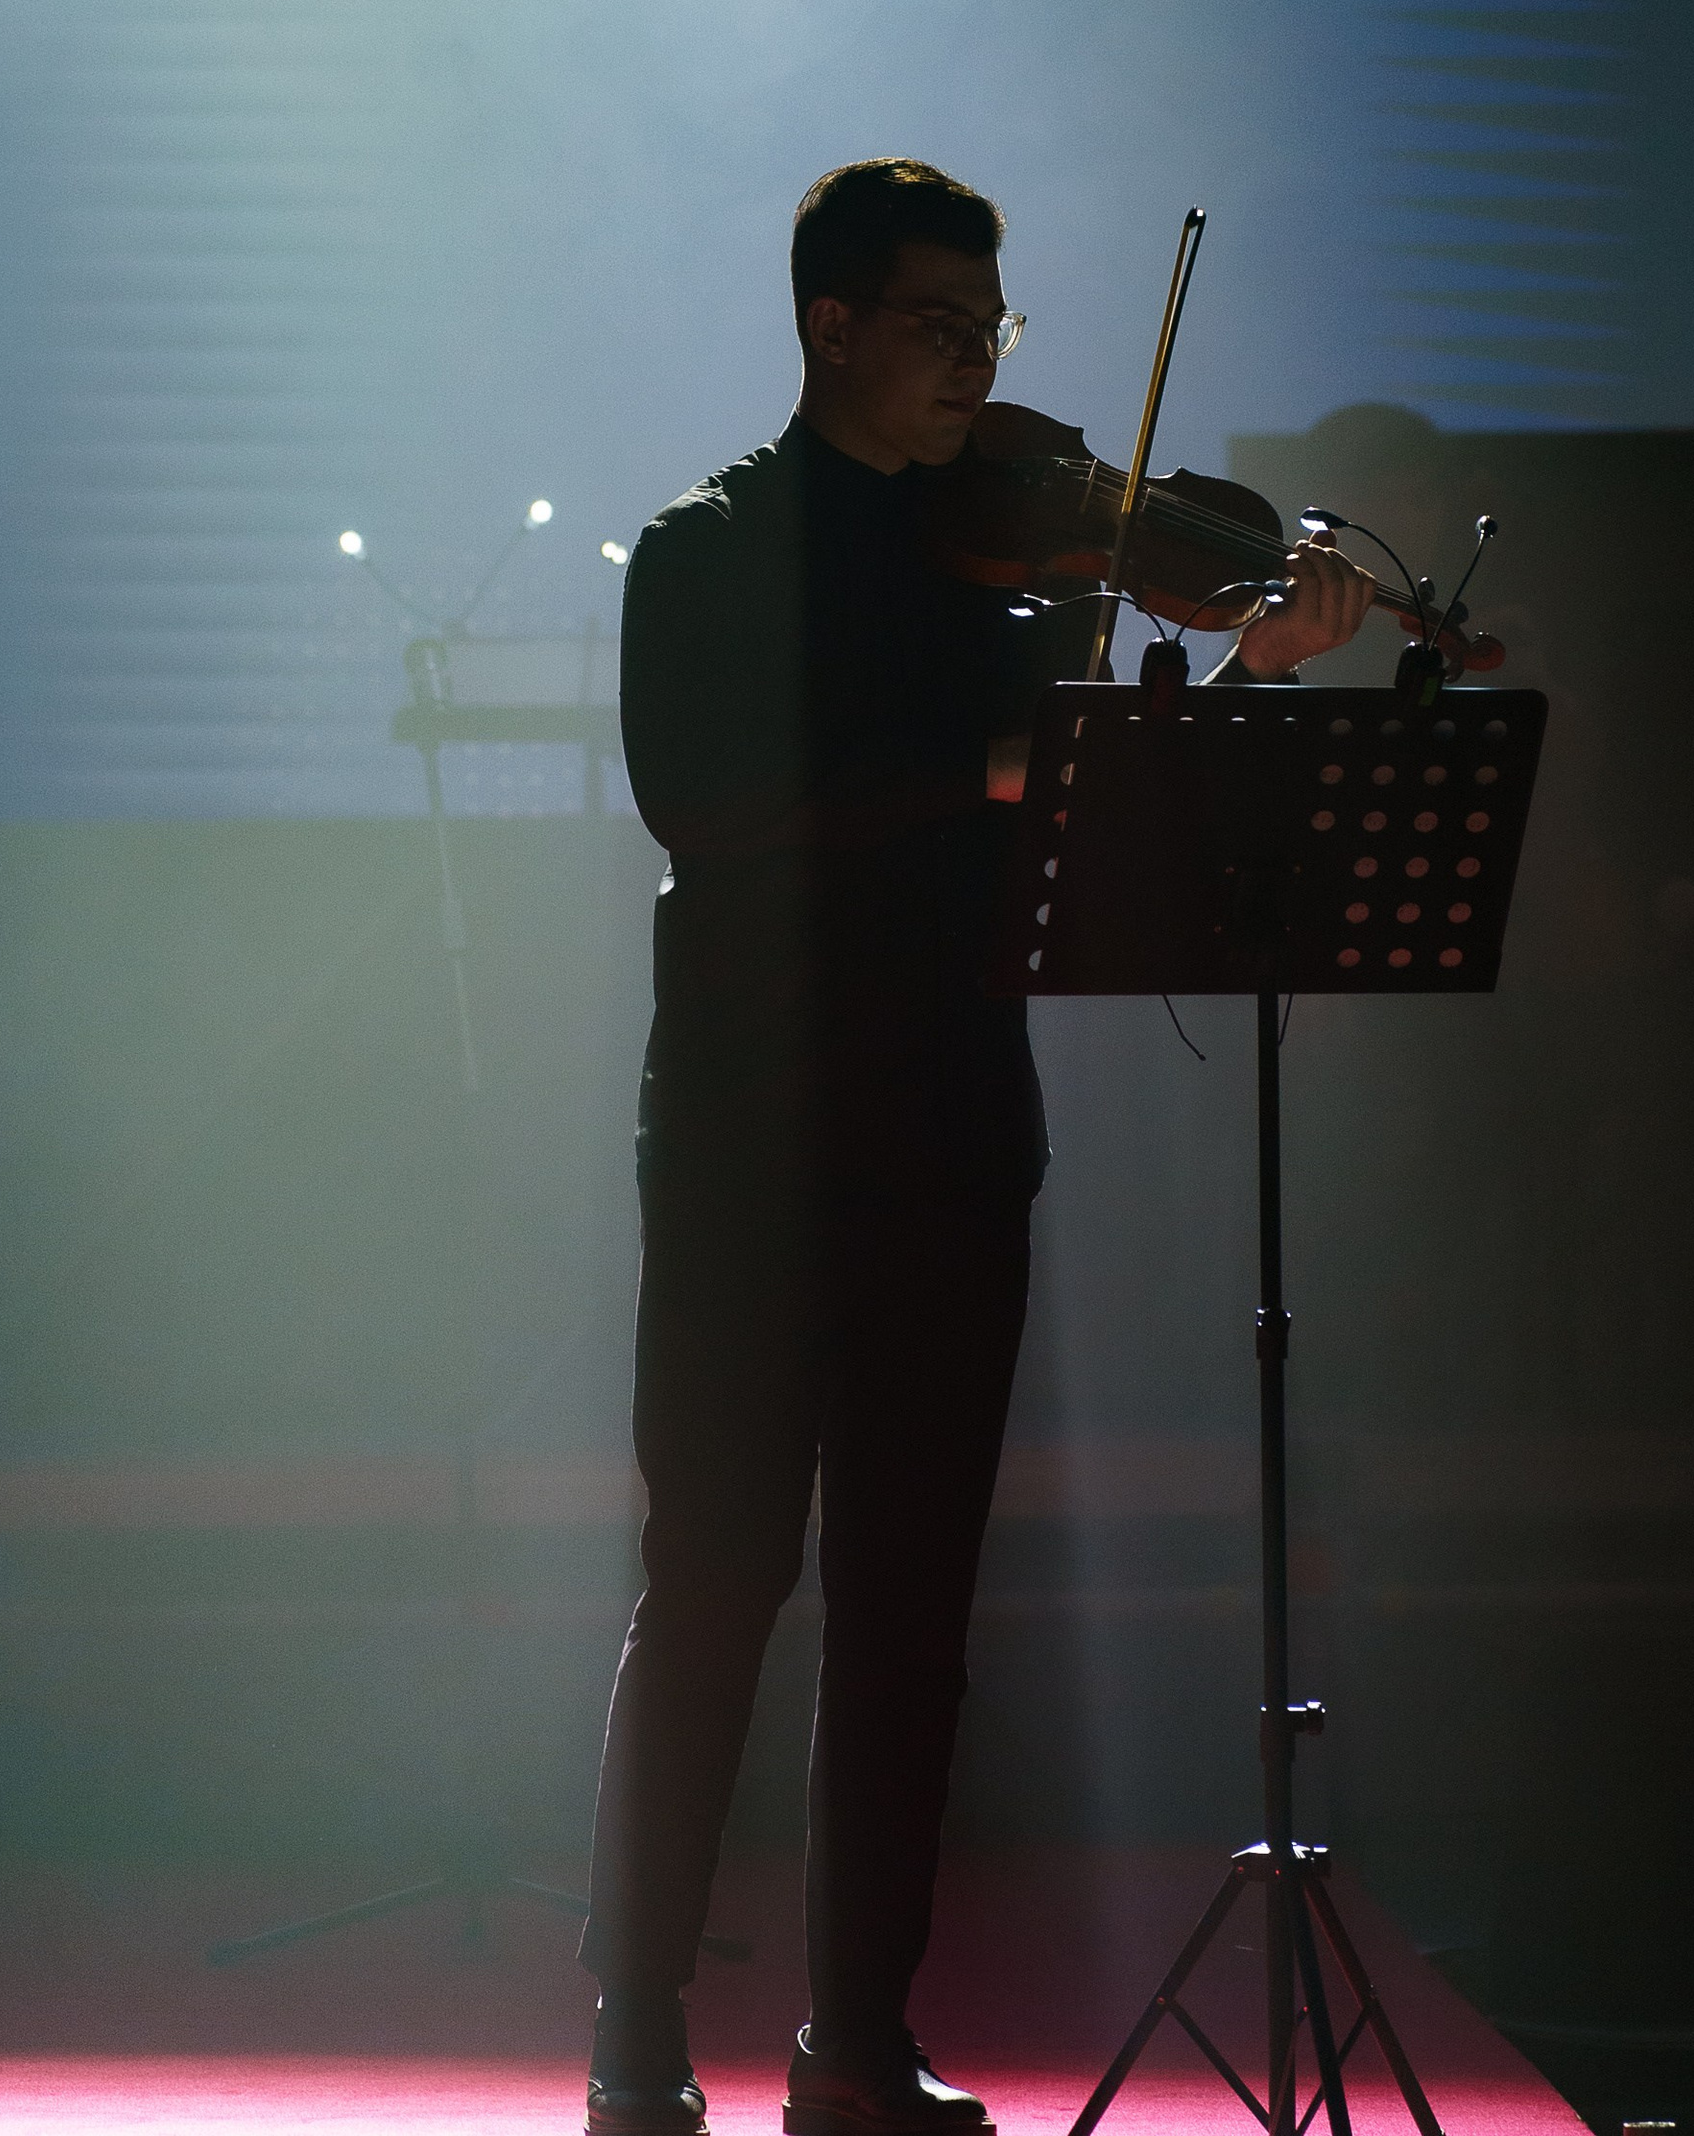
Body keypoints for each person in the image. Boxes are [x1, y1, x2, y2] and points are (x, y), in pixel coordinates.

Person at [581, 160, 1375, 2136]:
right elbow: (709, 798)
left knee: (914, 1614)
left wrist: (1252, 667)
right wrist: (1002, 754)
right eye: (940, 327)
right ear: (831, 326)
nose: (974, 367)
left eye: (989, 330)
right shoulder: (706, 548)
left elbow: (1107, 786)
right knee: (712, 1583)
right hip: (750, 1144)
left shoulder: (1015, 579)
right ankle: (636, 2036)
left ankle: (855, 2044)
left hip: (951, 1125)